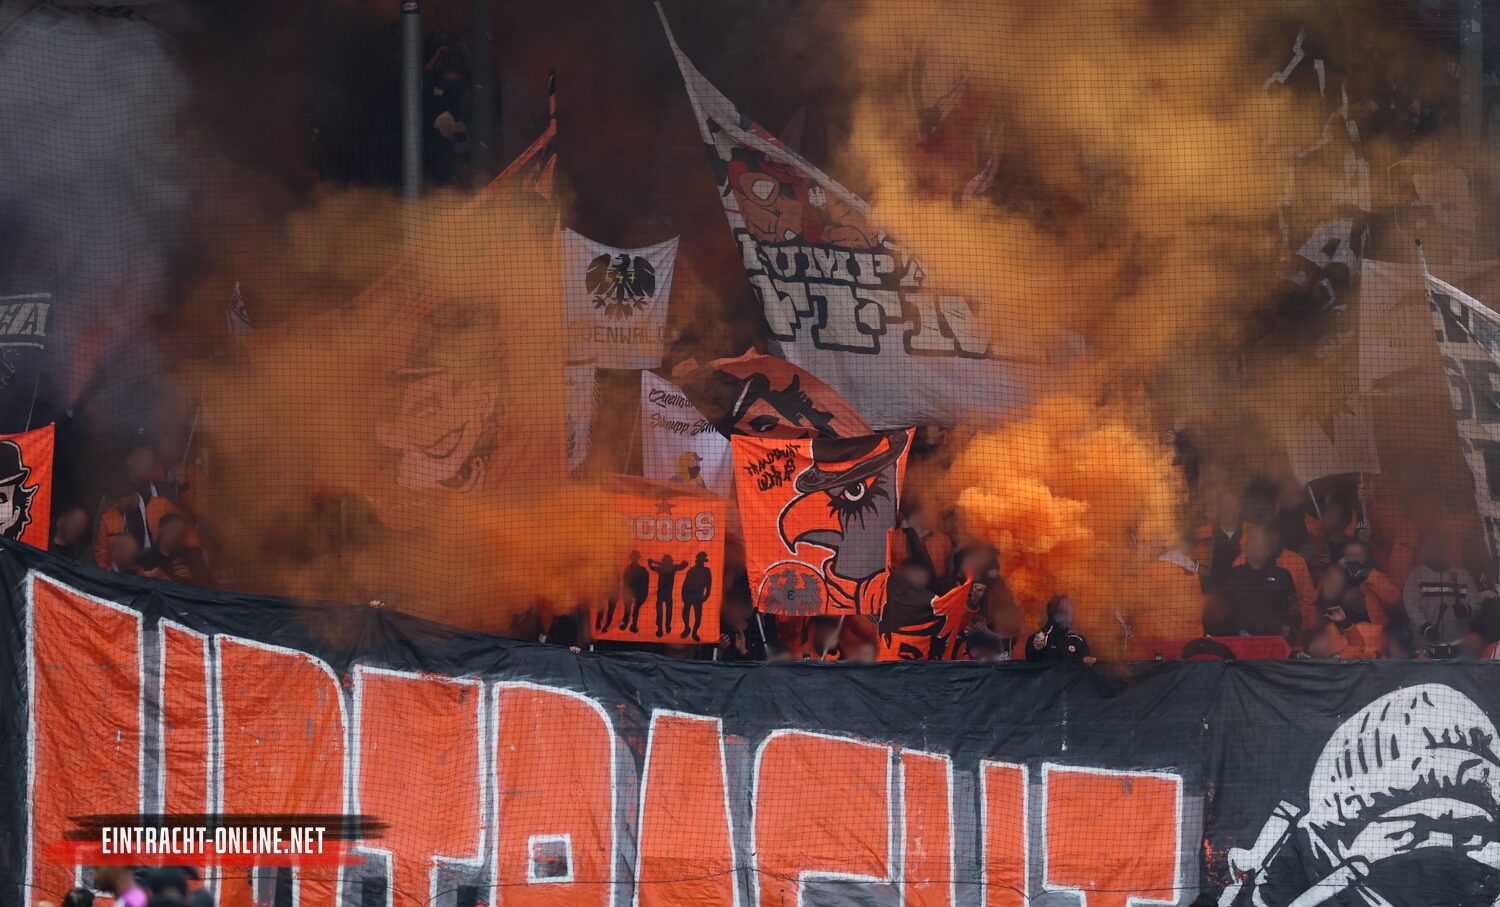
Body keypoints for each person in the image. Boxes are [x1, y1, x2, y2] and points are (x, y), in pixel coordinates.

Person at [1210, 523, 1297, 638]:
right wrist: (1238, 632)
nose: (1255, 545)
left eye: (1259, 541)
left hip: (1275, 647)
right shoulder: (1231, 577)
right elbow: (1221, 616)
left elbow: (1293, 612)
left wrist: (1287, 627)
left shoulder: (1282, 576)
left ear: (1269, 548)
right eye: (1252, 540)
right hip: (1241, 648)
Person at [1402, 530, 1480, 650]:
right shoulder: (1416, 575)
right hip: (1424, 647)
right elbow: (1411, 606)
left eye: (1445, 547)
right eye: (1436, 547)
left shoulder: (1463, 575)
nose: (1440, 551)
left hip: (1458, 646)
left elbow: (1476, 604)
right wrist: (1425, 627)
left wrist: (1466, 610)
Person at [138, 514, 214, 586]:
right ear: (162, 529)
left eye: (181, 531)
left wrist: (192, 577)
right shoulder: (148, 557)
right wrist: (141, 578)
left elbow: (212, 587)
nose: (177, 535)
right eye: (173, 529)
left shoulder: (192, 556)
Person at [1196, 485, 1246, 590]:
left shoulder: (1252, 536)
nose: (1226, 511)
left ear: (1239, 509)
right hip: (1211, 598)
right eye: (1223, 506)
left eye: (1231, 506)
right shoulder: (1201, 537)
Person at [1027, 594, 1094, 664]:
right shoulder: (1037, 640)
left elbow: (1086, 669)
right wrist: (1036, 649)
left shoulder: (1078, 640)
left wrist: (1086, 662)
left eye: (1069, 612)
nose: (1068, 616)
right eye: (1063, 612)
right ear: (1053, 612)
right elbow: (1031, 666)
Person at [647, 554, 687, 638]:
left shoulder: (663, 568)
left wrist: (654, 562)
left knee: (663, 611)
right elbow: (684, 565)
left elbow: (650, 565)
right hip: (665, 593)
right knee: (665, 611)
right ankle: (663, 627)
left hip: (663, 593)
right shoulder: (670, 567)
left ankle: (663, 627)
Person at [679, 551, 713, 641]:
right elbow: (685, 584)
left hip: (698, 596)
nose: (699, 561)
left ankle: (694, 632)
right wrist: (683, 595)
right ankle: (687, 628)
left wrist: (706, 596)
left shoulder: (707, 571)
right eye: (698, 560)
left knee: (698, 616)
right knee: (685, 613)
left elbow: (708, 585)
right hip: (688, 595)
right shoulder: (691, 570)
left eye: (701, 560)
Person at [617, 551, 651, 633]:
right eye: (633, 557)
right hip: (629, 592)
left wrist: (644, 594)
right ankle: (626, 623)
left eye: (635, 557)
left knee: (635, 609)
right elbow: (625, 582)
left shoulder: (642, 570)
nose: (634, 559)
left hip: (638, 593)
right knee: (627, 608)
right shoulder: (628, 569)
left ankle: (634, 624)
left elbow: (646, 583)